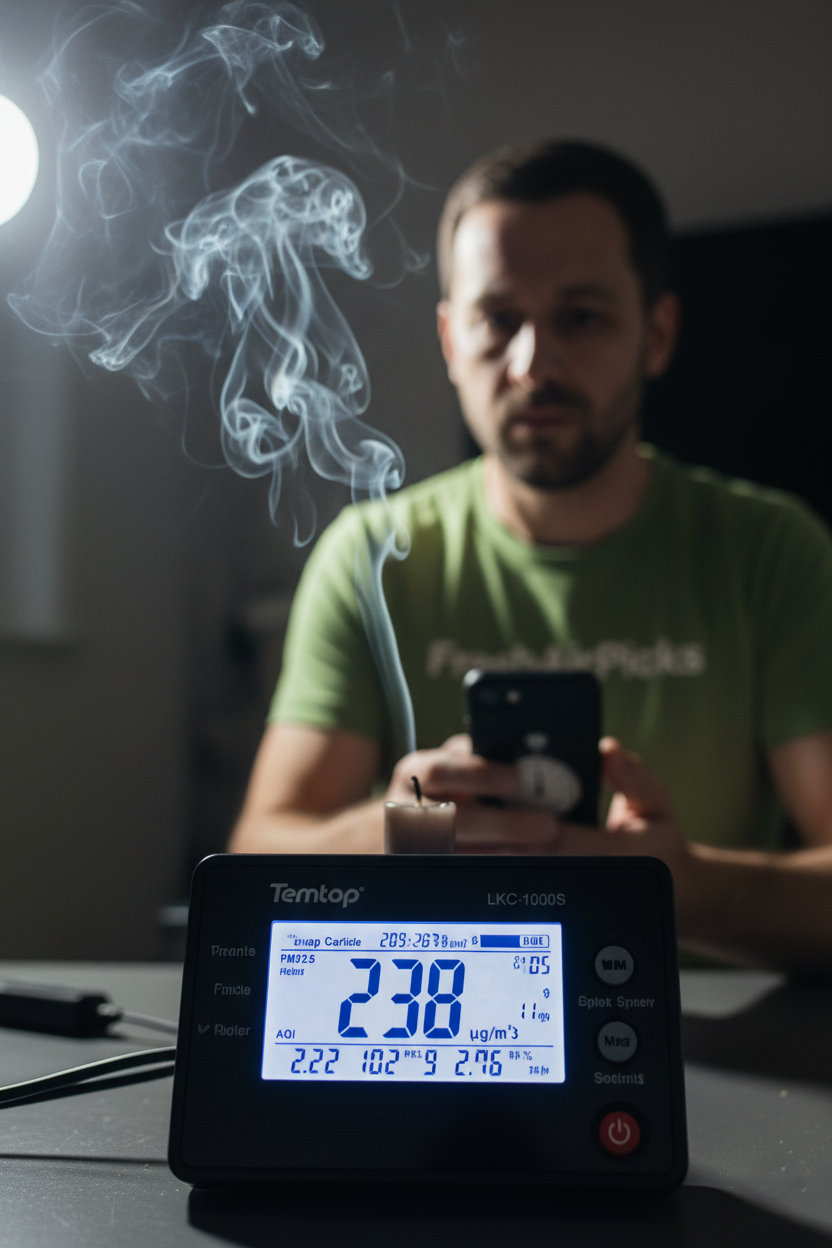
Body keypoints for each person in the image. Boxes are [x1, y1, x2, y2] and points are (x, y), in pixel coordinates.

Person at [230, 140, 832, 971]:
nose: (532, 364)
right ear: (449, 338)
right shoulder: (372, 554)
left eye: (580, 317)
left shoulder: (774, 553)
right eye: (497, 318)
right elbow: (257, 857)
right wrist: (389, 832)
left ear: (656, 333)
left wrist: (687, 888)